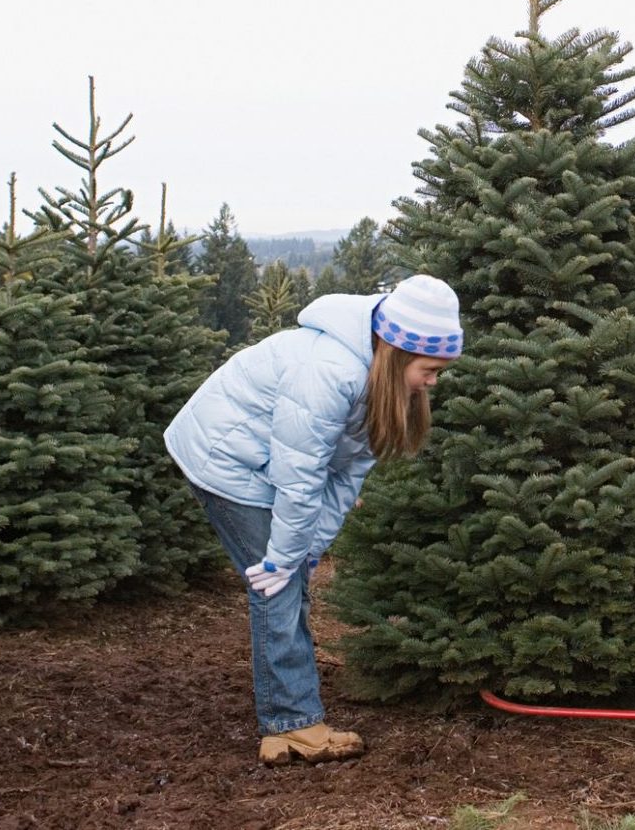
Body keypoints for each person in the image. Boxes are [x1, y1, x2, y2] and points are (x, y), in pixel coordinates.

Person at [164, 274, 463, 765]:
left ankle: (287, 721)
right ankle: (292, 723)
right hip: (225, 458)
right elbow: (299, 478)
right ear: (398, 352)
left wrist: (309, 552)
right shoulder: (329, 371)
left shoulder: (383, 385)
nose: (433, 382)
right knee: (273, 584)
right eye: (430, 369)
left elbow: (346, 477)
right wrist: (284, 558)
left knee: (286, 576)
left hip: (268, 464)